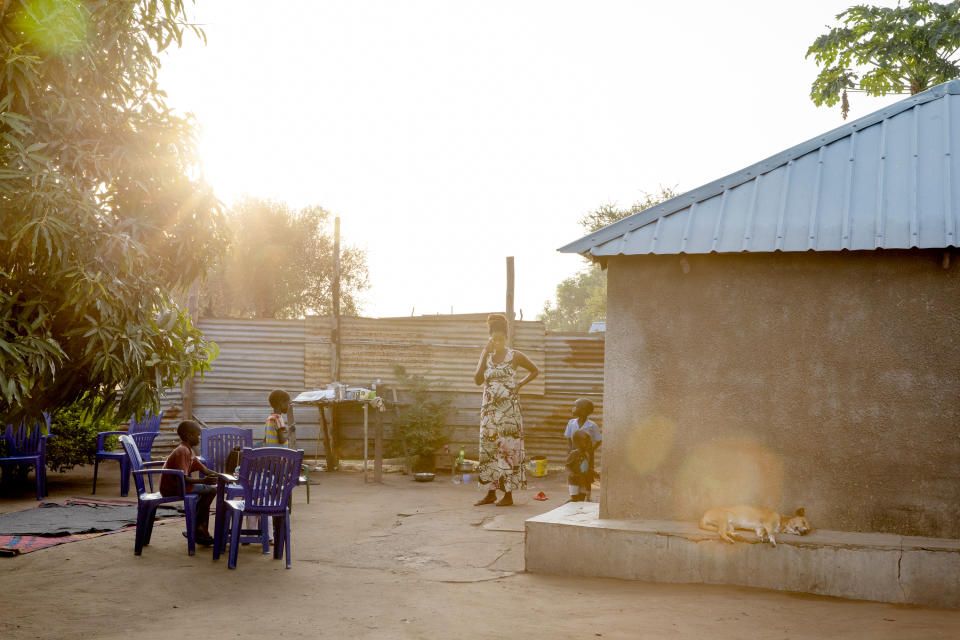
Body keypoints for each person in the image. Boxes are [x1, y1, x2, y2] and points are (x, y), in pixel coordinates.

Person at [473, 313, 540, 507]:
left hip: (509, 413)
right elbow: (477, 380)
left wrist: (520, 384)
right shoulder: (487, 357)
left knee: (506, 450)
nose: (498, 341)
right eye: (494, 338)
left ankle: (508, 495)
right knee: (489, 450)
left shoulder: (515, 355)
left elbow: (535, 370)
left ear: (506, 337)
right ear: (490, 338)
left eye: (501, 338)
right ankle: (491, 493)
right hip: (489, 413)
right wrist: (484, 353)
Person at [160, 420, 219, 546]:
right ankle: (198, 527)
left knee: (208, 491)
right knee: (212, 490)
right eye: (197, 435)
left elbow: (206, 470)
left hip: (180, 485)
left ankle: (198, 527)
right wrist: (203, 481)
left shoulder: (189, 450)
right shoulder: (183, 451)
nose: (199, 438)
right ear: (188, 435)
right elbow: (183, 478)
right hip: (173, 488)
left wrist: (223, 477)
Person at [564, 397, 601, 473]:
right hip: (574, 452)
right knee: (574, 471)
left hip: (587, 455)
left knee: (586, 473)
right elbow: (568, 437)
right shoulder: (571, 423)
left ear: (583, 411)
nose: (573, 409)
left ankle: (586, 484)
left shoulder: (592, 425)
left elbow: (599, 440)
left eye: (575, 407)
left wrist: (590, 450)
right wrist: (571, 448)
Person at [566, 430, 597, 502]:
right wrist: (571, 473)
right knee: (574, 499)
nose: (589, 444)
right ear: (577, 443)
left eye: (589, 442)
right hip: (574, 480)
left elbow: (586, 467)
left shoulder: (587, 454)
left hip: (583, 480)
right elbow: (567, 466)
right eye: (586, 442)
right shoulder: (574, 454)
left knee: (582, 498)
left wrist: (593, 472)